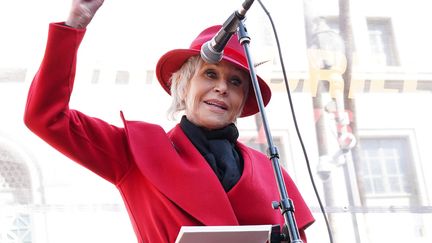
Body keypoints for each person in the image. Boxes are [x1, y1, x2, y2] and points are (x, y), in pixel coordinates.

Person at [24, 0, 315, 242]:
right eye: (210, 74)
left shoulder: (272, 172)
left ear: (242, 100)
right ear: (183, 86)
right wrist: (74, 26)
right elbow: (46, 116)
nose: (223, 88)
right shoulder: (136, 151)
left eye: (236, 82)